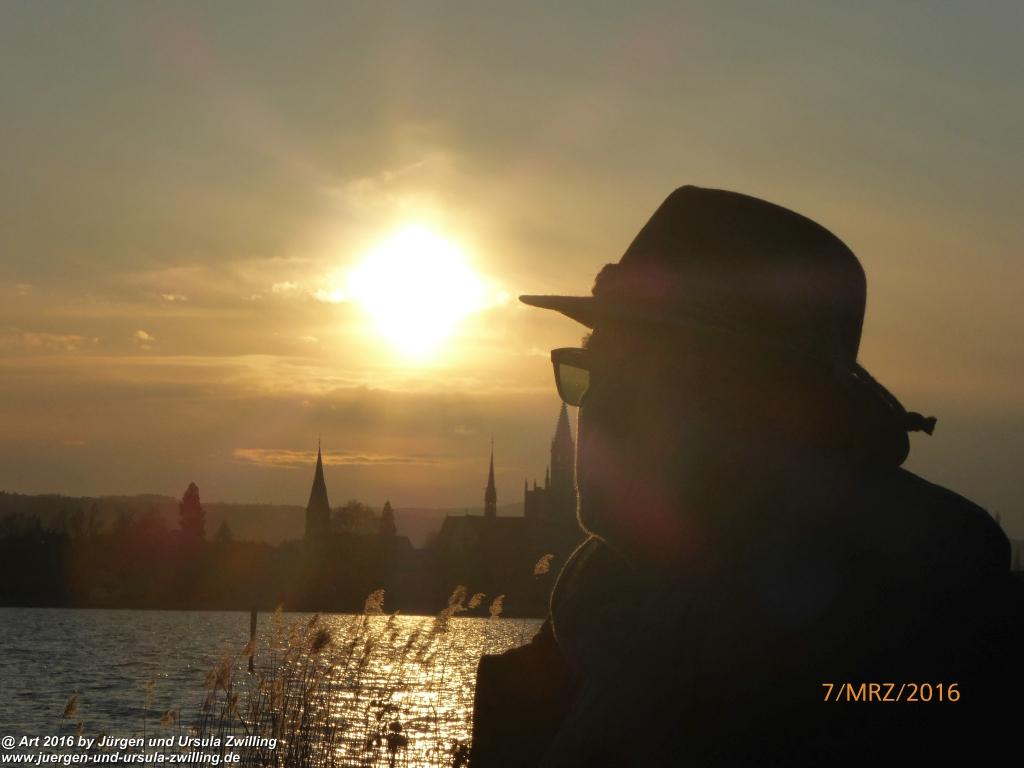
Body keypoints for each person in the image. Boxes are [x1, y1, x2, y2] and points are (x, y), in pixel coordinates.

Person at [469, 186, 1024, 767]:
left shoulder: (941, 657)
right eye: (591, 371)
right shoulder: (587, 626)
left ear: (774, 411)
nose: (603, 406)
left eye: (645, 378)